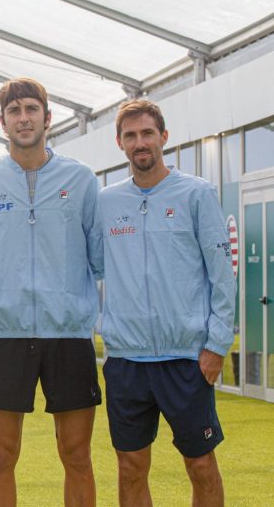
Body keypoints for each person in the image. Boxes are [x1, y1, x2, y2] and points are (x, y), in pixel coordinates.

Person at [0, 78, 102, 507]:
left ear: (47, 118)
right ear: (2, 123)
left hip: (69, 335)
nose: (23, 118)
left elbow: (99, 255)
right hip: (7, 335)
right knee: (0, 456)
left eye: (31, 109)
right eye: (14, 111)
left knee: (77, 455)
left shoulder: (80, 179)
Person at [93, 99, 235, 507]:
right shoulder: (106, 202)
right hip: (126, 361)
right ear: (119, 143)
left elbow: (222, 276)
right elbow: (90, 265)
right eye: (131, 135)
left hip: (186, 359)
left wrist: (216, 345)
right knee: (130, 467)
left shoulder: (197, 194)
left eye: (147, 133)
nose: (140, 142)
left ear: (164, 137)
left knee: (201, 465)